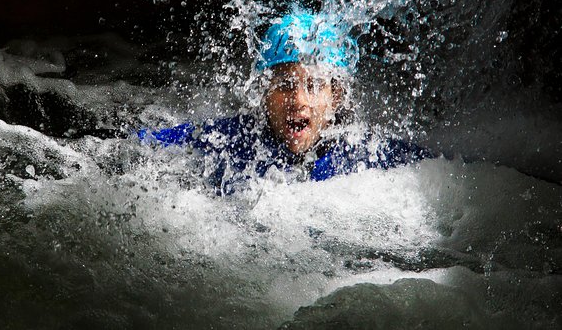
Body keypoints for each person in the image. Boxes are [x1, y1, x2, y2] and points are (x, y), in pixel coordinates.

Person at [137, 11, 432, 194]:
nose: (299, 101)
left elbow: (452, 172)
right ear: (264, 93)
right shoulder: (232, 140)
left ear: (336, 97)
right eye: (286, 86)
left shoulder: (365, 155)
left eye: (315, 86)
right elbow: (139, 147)